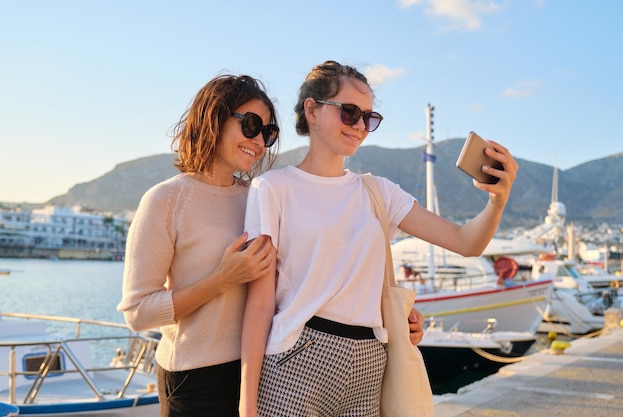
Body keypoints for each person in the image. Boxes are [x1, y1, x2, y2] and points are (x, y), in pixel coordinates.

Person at [239, 60, 518, 417]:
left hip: (370, 361)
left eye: (368, 118)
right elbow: (259, 304)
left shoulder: (378, 191)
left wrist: (498, 200)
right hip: (299, 356)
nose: (359, 126)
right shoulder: (274, 189)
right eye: (350, 112)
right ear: (312, 109)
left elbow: (466, 242)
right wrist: (247, 406)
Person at [117, 74, 280, 417]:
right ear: (214, 118)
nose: (260, 141)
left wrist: (395, 316)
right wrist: (221, 279)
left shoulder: (261, 199)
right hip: (193, 382)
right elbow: (137, 312)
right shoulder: (166, 200)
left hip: (261, 375)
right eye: (251, 125)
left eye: (268, 132)